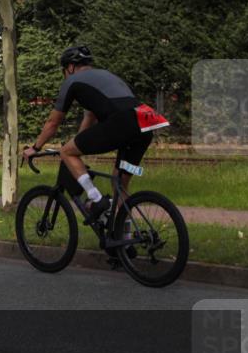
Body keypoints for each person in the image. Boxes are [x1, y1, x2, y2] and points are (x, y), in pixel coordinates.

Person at [22, 46, 169, 224]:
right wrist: (77, 145)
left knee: (66, 152)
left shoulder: (72, 81)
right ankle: (127, 239)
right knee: (120, 184)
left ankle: (96, 199)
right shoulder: (105, 76)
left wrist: (35, 148)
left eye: (64, 71)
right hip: (145, 125)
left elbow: (53, 122)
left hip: (121, 122)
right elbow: (90, 117)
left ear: (70, 67)